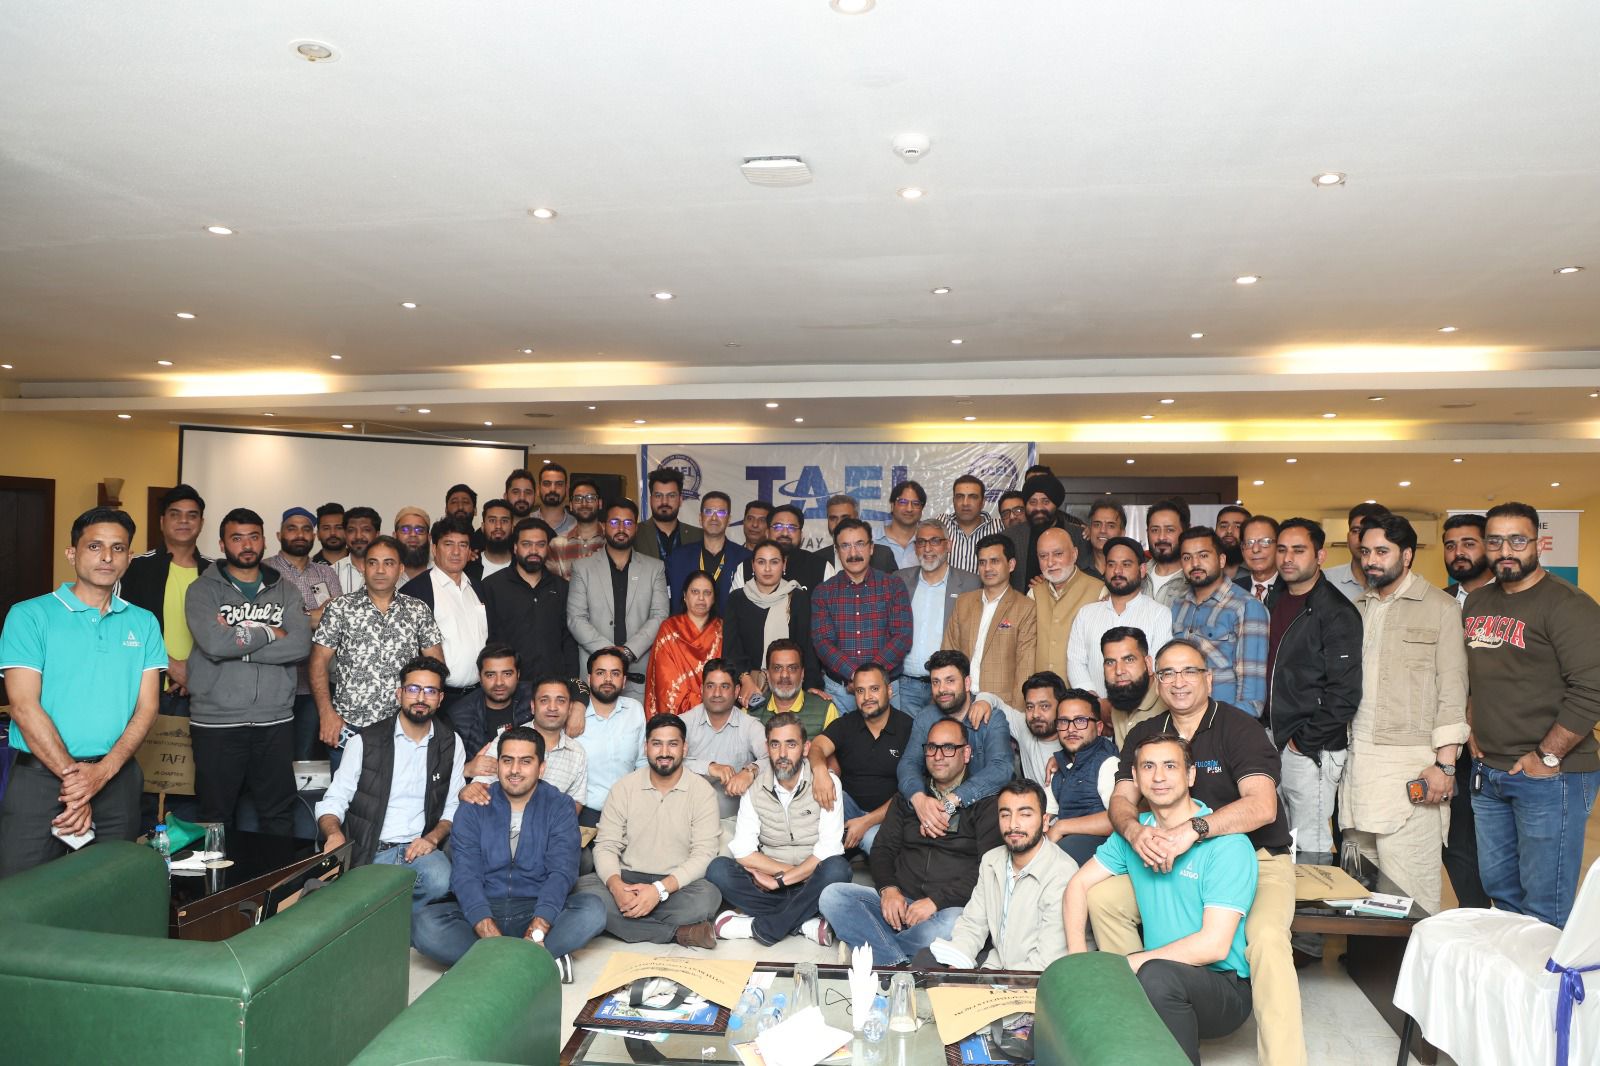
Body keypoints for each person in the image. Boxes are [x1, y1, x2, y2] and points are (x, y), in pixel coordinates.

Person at [1094, 639, 1303, 1066]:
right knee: (1103, 899)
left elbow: (1262, 806)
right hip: (1174, 861)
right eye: (1167, 673)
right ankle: (1141, 1012)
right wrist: (1133, 830)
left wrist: (1195, 829)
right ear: (1157, 681)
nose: (1179, 681)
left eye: (1189, 671)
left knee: (1266, 939)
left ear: (1208, 679)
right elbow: (1121, 799)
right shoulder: (1145, 733)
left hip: (1256, 858)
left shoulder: (1239, 728)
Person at [1064, 733, 1258, 1066]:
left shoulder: (1229, 845)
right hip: (1157, 973)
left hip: (1223, 986)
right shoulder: (1136, 834)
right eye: (1148, 767)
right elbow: (1078, 886)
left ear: (1190, 774)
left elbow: (1213, 946)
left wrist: (1126, 965)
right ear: (1135, 777)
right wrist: (1080, 963)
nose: (1158, 777)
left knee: (1154, 975)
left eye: (1170, 766)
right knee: (1088, 1005)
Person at [0, 508, 164, 877]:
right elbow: (23, 706)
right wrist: (77, 782)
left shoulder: (144, 622)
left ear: (129, 558)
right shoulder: (29, 615)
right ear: (72, 553)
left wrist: (101, 774)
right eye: (94, 546)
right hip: (39, 782)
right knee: (22, 896)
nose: (107, 557)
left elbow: (147, 708)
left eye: (118, 548)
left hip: (116, 780)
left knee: (110, 893)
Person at [1464, 501, 1600, 927]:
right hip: (1489, 773)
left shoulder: (1568, 605)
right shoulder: (1476, 602)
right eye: (1495, 541)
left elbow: (1592, 689)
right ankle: (1511, 974)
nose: (1506, 551)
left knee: (1544, 906)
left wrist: (1547, 756)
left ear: (1539, 543)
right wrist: (1472, 726)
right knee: (1501, 898)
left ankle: (1547, 975)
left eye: (1517, 540)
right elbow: (1477, 676)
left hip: (1551, 778)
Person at [1340, 512, 1467, 916]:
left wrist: (1445, 765)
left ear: (1407, 555)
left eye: (1382, 551)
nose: (1371, 560)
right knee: (1360, 888)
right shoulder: (1356, 608)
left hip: (1411, 766)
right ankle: (1371, 954)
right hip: (1357, 765)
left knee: (1411, 894)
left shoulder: (1440, 608)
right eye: (1365, 552)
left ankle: (1413, 957)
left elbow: (1453, 690)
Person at [411, 726, 607, 981]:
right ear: (498, 765)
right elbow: (465, 875)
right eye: (507, 761)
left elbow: (562, 872)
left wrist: (537, 929)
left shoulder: (559, 806)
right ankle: (536, 960)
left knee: (593, 910)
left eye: (525, 761)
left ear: (541, 768)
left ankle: (482, 962)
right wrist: (486, 928)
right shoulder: (474, 805)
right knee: (424, 924)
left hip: (535, 906)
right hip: (485, 907)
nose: (515, 770)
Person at [819, 716, 1001, 963]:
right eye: (932, 748)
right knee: (833, 896)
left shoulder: (985, 803)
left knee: (953, 925)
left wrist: (936, 901)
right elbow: (883, 848)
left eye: (948, 748)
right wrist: (888, 889)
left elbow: (988, 869)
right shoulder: (910, 796)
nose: (938, 756)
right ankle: (895, 958)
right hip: (900, 903)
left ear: (966, 753)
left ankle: (874, 949)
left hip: (946, 908)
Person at [185, 507, 311, 835]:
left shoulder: (286, 590)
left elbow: (300, 646)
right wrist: (270, 631)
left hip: (275, 721)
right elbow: (214, 644)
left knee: (278, 813)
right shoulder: (202, 590)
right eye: (237, 538)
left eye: (253, 537)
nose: (246, 545)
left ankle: (275, 871)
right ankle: (218, 873)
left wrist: (236, 644)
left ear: (265, 541)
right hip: (216, 722)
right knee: (215, 816)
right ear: (222, 544)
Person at [314, 655, 466, 910]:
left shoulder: (451, 743)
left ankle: (384, 914)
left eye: (430, 691)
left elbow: (453, 805)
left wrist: (431, 839)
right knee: (359, 896)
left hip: (418, 851)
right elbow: (335, 799)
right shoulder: (365, 741)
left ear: (440, 699)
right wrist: (334, 834)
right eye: (413, 689)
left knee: (441, 879)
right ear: (399, 693)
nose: (421, 698)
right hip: (370, 849)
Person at [1264, 519, 1361, 885]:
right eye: (1282, 549)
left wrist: (1303, 742)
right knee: (1278, 843)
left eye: (1298, 550)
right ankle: (1286, 918)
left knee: (1311, 847)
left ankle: (1315, 922)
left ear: (1320, 556)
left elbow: (1345, 693)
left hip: (1310, 748)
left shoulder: (1335, 611)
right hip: (1275, 739)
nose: (1287, 558)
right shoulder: (1276, 599)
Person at [576, 712, 723, 948]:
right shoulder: (624, 788)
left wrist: (658, 890)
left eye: (672, 744)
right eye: (657, 744)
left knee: (708, 897)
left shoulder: (702, 791)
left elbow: (704, 854)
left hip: (676, 884)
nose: (664, 752)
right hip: (628, 878)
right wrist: (616, 888)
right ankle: (679, 933)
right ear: (646, 748)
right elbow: (606, 846)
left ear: (684, 748)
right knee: (581, 890)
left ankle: (626, 922)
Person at [707, 714, 850, 945]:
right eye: (775, 745)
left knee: (838, 869)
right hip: (775, 881)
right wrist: (786, 876)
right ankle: (803, 921)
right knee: (718, 870)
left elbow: (829, 849)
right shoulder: (755, 788)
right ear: (767, 748)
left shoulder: (826, 783)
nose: (782, 754)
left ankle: (760, 927)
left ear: (805, 748)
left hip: (813, 878)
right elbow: (743, 851)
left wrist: (784, 880)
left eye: (791, 744)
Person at [310, 536, 445, 764]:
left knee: (403, 787)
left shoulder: (417, 610)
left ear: (400, 569)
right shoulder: (340, 608)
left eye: (388, 563)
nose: (380, 570)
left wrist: (424, 712)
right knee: (347, 787)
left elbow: (437, 666)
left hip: (404, 727)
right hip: (349, 727)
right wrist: (326, 713)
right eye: (373, 563)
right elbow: (317, 663)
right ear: (363, 567)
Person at [926, 778, 1076, 970]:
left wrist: (991, 982)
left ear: (1045, 822)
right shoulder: (991, 861)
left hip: (1037, 978)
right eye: (1005, 815)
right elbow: (973, 923)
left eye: (1025, 814)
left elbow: (1047, 960)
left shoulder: (1062, 873)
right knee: (925, 962)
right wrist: (958, 962)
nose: (1013, 824)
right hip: (996, 967)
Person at [899, 650, 1015, 836]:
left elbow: (1002, 768)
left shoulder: (992, 718)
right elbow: (909, 763)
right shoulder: (926, 717)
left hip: (984, 813)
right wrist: (918, 799)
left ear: (967, 683)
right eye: (936, 682)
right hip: (935, 811)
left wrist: (952, 800)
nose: (942, 689)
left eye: (950, 681)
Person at [1439, 512, 1493, 909]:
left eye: (1468, 544)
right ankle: (1473, 914)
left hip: (1498, 743)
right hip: (1449, 746)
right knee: (1455, 840)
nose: (1458, 552)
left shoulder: (1511, 599)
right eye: (1451, 545)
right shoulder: (1438, 602)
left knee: (1499, 842)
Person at [119, 484, 210, 717]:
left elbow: (230, 630)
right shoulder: (135, 569)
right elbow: (120, 627)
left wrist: (195, 670)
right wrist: (170, 665)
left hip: (208, 690)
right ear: (162, 522)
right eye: (175, 514)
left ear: (201, 523)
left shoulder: (216, 572)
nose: (184, 521)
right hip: (147, 689)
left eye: (192, 515)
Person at [566, 499, 669, 701]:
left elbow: (660, 615)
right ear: (603, 526)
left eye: (628, 523)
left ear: (636, 528)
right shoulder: (582, 568)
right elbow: (575, 619)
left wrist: (628, 652)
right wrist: (610, 655)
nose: (621, 528)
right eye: (614, 522)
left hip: (639, 674)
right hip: (594, 675)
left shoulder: (655, 568)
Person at [807, 663, 913, 854]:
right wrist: (820, 772)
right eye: (860, 691)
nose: (867, 697)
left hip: (887, 816)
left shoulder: (908, 727)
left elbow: (910, 791)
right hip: (848, 809)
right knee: (819, 789)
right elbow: (817, 747)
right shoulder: (846, 724)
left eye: (874, 689)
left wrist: (865, 822)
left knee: (873, 841)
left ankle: (846, 847)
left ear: (889, 691)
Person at [811, 518, 913, 713]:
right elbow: (823, 643)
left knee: (890, 734)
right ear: (837, 551)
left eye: (860, 544)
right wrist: (854, 674)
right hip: (841, 693)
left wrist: (867, 678)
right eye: (845, 546)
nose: (853, 553)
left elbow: (902, 637)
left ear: (871, 548)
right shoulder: (823, 592)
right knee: (840, 735)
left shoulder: (894, 586)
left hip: (886, 689)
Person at [265, 506, 343, 759]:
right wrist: (313, 616)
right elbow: (265, 621)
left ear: (314, 536)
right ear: (279, 535)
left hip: (314, 687)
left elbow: (336, 621)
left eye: (306, 529)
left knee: (305, 758)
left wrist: (292, 617)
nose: (299, 535)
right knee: (272, 756)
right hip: (273, 684)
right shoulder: (265, 571)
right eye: (292, 529)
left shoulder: (326, 573)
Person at [1171, 526, 1269, 718]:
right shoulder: (1177, 605)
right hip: (1181, 719)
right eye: (1187, 557)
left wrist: (1228, 729)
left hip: (1224, 722)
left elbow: (1252, 698)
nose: (1195, 563)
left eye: (1203, 555)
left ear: (1221, 560)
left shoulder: (1246, 606)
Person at [399, 515, 488, 714]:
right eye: (448, 544)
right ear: (434, 548)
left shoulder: (478, 588)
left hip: (480, 696)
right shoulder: (414, 592)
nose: (456, 552)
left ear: (469, 551)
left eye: (463, 545)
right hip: (439, 700)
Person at [1067, 536, 1173, 703]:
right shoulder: (1086, 614)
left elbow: (1157, 666)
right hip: (1093, 711)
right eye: (1111, 564)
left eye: (1126, 564)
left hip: (1142, 710)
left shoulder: (1159, 614)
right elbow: (1075, 662)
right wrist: (1095, 703)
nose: (1117, 571)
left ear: (1142, 570)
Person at [941, 533, 1038, 709]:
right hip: (961, 700)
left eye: (995, 561)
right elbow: (949, 652)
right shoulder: (964, 602)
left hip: (1000, 705)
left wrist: (1016, 714)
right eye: (982, 562)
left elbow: (1025, 667)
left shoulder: (1025, 607)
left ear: (1011, 565)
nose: (987, 568)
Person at [895, 519, 979, 718]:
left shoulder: (971, 584)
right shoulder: (899, 580)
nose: (927, 548)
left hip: (948, 688)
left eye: (934, 541)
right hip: (906, 687)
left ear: (948, 545)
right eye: (921, 542)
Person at [480, 516, 576, 682]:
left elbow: (568, 641)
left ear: (548, 548)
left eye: (540, 544)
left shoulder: (562, 587)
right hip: (508, 686)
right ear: (515, 547)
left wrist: (572, 681)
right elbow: (485, 638)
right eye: (526, 544)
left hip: (553, 685)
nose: (534, 550)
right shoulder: (492, 586)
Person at [724, 542, 820, 705]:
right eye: (761, 562)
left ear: (784, 565)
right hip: (747, 684)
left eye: (774, 562)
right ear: (753, 565)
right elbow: (731, 648)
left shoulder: (797, 598)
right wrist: (745, 680)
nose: (767, 569)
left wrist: (811, 685)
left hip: (789, 682)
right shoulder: (737, 599)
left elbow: (807, 647)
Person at [569, 648, 648, 829]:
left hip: (629, 811)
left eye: (615, 673)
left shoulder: (634, 709)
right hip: (585, 813)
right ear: (589, 679)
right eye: (600, 673)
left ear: (624, 680)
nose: (608, 679)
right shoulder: (573, 713)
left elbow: (642, 762)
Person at [681, 659, 769, 819]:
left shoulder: (750, 726)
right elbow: (662, 761)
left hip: (732, 823)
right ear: (702, 689)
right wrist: (708, 767)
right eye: (710, 686)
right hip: (685, 820)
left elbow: (773, 758)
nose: (717, 693)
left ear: (736, 691)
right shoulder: (683, 723)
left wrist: (751, 771)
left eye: (725, 686)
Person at [1043, 683, 1118, 864]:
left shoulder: (1108, 764)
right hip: (1070, 844)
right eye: (1064, 721)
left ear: (1098, 728)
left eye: (1081, 720)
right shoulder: (1059, 765)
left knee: (1060, 854)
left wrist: (1061, 826)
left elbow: (1119, 819)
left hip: (1103, 847)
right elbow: (1046, 813)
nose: (1071, 729)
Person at [644, 571, 724, 717]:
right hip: (677, 718)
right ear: (685, 596)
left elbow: (727, 680)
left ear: (713, 599)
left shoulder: (723, 630)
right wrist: (704, 703)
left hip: (718, 714)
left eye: (707, 593)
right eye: (695, 592)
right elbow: (666, 684)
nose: (701, 598)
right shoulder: (669, 629)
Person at [1030, 526, 1100, 681]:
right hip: (1041, 690)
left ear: (1074, 554)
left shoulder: (1099, 591)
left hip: (1083, 691)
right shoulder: (1033, 593)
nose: (1050, 563)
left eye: (1058, 554)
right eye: (1043, 556)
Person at [446, 643, 532, 768]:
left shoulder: (534, 696)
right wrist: (467, 769)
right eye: (490, 675)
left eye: (507, 674)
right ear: (480, 677)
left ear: (518, 675)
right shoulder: (459, 716)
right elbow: (444, 768)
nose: (499, 683)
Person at [1001, 475, 1094, 590]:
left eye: (1046, 502)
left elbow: (1088, 576)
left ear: (1056, 504)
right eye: (1032, 502)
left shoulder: (1079, 535)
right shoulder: (1010, 536)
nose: (1038, 508)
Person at [666, 491, 751, 612]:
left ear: (729, 519)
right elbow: (672, 604)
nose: (714, 518)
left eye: (721, 512)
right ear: (700, 518)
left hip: (730, 624)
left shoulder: (745, 558)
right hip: (687, 624)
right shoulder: (678, 558)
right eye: (708, 511)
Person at [750, 639, 836, 736]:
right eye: (777, 668)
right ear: (768, 674)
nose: (784, 675)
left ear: (802, 674)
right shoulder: (750, 712)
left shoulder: (825, 710)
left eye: (792, 668)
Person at [1100, 627, 1168, 747]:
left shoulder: (1170, 700)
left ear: (1148, 664)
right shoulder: (1120, 695)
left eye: (1129, 660)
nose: (1119, 671)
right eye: (1110, 662)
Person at [810, 495, 897, 577]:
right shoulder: (816, 559)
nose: (839, 523)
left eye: (845, 518)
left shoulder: (883, 556)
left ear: (857, 518)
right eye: (833, 518)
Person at [940, 474, 1001, 575]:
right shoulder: (940, 525)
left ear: (983, 502)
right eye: (960, 497)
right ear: (953, 501)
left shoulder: (999, 528)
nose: (965, 503)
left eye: (973, 497)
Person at [1329, 501, 1390, 603]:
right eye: (1356, 531)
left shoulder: (1399, 584)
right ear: (1348, 537)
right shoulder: (1326, 580)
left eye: (1370, 531)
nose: (1362, 538)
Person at [547, 478, 606, 580]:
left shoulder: (612, 540)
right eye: (578, 499)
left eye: (590, 498)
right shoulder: (557, 546)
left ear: (599, 503)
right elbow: (554, 587)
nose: (584, 504)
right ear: (571, 505)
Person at [638, 467, 701, 561]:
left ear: (680, 500)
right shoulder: (636, 534)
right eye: (658, 496)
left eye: (671, 496)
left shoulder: (698, 536)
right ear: (651, 500)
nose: (664, 502)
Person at [1141, 499, 1190, 608]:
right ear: (1147, 533)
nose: (1161, 537)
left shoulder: (1195, 579)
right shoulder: (1136, 575)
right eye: (1155, 530)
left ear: (1185, 532)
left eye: (1170, 530)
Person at [333, 506, 380, 596]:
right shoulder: (331, 573)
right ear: (345, 535)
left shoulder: (391, 571)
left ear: (377, 535)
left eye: (366, 530)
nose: (358, 536)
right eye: (351, 530)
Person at [880, 480, 927, 568]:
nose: (909, 509)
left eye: (916, 503)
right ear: (892, 505)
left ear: (922, 509)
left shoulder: (929, 543)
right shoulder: (872, 538)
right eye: (903, 502)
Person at [467, 497, 515, 581]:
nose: (498, 526)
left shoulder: (522, 566)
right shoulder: (468, 566)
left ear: (512, 528)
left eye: (504, 521)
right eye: (492, 520)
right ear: (482, 527)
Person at [1234, 515, 1279, 602]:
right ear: (1242, 549)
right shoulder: (1233, 590)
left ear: (1278, 546)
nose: (1255, 549)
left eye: (1265, 541)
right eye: (1249, 543)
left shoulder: (1292, 589)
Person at [1084, 499, 1127, 575]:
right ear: (1089, 529)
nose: (1103, 530)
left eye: (1111, 526)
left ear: (1122, 533)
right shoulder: (1075, 568)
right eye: (1097, 525)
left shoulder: (1130, 570)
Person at [393, 506, 433, 583]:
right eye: (405, 530)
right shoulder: (386, 574)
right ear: (395, 536)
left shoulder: (441, 573)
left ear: (429, 537)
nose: (413, 534)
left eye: (420, 530)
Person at [533, 462, 575, 536]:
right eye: (547, 484)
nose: (553, 489)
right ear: (538, 490)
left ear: (566, 490)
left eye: (559, 484)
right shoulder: (527, 522)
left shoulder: (576, 525)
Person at [1215, 504, 1251, 580]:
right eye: (1223, 526)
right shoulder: (1203, 568)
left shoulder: (1258, 568)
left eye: (1238, 526)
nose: (1229, 531)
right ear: (1215, 531)